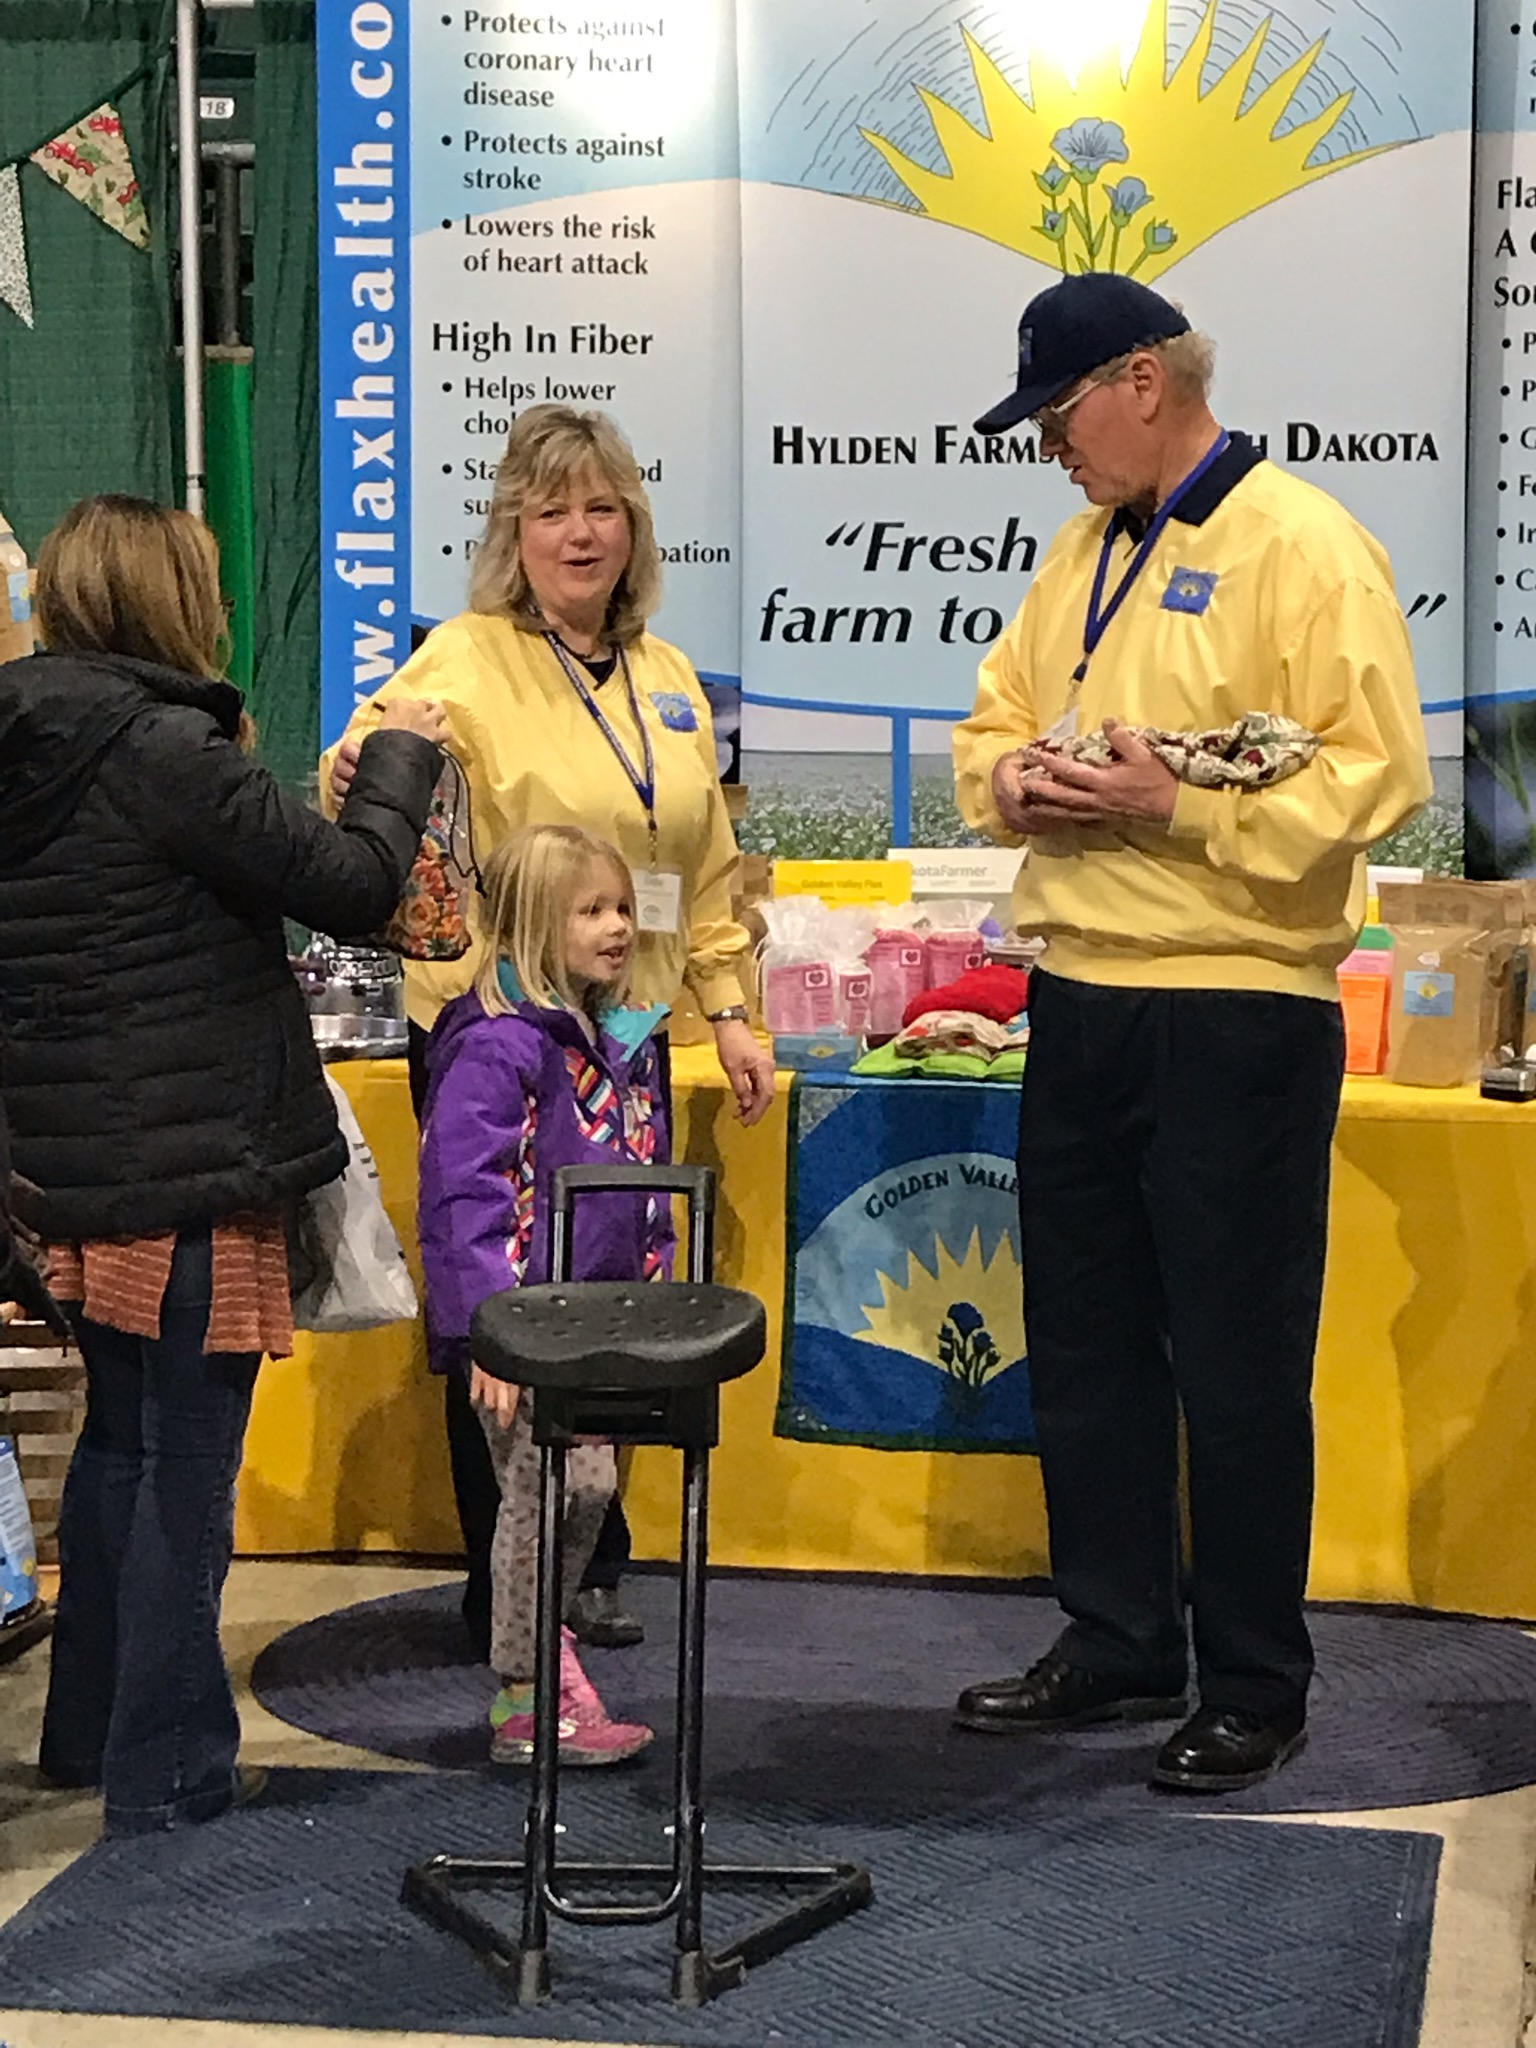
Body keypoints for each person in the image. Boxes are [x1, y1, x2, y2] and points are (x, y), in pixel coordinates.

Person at [951, 275, 1432, 1793]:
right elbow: (986, 722)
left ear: (1143, 379)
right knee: (1085, 1347)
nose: (1051, 449)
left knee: (1232, 1359)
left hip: (1239, 1001)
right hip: (1081, 993)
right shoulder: (1081, 552)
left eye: (1061, 414)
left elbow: (1383, 775)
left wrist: (1183, 805)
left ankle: (1255, 1678)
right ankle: (1115, 1633)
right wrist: (1012, 784)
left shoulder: (1306, 542)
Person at [0, 494, 444, 1832]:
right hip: (192, 1170)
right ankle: (173, 1773)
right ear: (173, 603)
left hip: (70, 1174)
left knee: (120, 1456)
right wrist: (404, 760)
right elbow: (358, 886)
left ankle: (90, 1738)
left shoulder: (28, 748)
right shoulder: (172, 755)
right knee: (182, 1477)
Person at [323, 404, 774, 1659]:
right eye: (552, 509)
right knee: (506, 1291)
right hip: (503, 1030)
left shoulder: (671, 678)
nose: (580, 532)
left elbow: (712, 865)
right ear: (512, 533)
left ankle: (590, 1552)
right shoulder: (459, 658)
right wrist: (386, 771)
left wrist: (729, 1010)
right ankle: (504, 1579)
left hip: (633, 1024)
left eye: (602, 506)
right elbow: (349, 777)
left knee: (616, 1279)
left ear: (634, 525)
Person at [417, 823, 665, 1765]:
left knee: (589, 1486)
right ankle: (527, 1693)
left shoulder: (621, 1042)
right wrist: (492, 1335)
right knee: (537, 1494)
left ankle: (543, 1648)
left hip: (599, 1322)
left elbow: (643, 1177)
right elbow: (462, 1196)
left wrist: (655, 1287)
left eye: (624, 909)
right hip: (525, 1330)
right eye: (591, 911)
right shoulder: (497, 1049)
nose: (616, 928)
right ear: (530, 923)